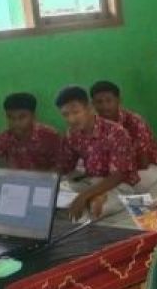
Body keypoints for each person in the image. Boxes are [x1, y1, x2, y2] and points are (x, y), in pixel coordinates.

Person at [0, 92, 63, 214]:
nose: (16, 123)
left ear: (33, 116)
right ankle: (28, 204)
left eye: (22, 117)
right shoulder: (3, 138)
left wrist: (38, 180)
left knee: (64, 193)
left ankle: (25, 204)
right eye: (11, 118)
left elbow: (61, 167)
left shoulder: (50, 135)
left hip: (44, 185)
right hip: (18, 186)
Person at [55, 86, 147, 220]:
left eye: (76, 112)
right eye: (65, 114)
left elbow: (119, 175)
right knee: (53, 197)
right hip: (91, 182)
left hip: (119, 185)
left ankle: (106, 200)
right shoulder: (72, 133)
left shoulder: (115, 132)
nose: (71, 119)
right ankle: (94, 197)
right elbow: (66, 166)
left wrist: (83, 196)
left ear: (89, 108)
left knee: (92, 211)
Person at [89, 80, 157, 192]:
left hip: (142, 169)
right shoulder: (94, 123)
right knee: (96, 181)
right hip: (113, 170)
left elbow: (144, 161)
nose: (104, 106)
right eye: (99, 102)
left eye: (109, 101)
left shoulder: (134, 122)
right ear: (93, 104)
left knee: (133, 184)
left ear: (118, 100)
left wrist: (116, 177)